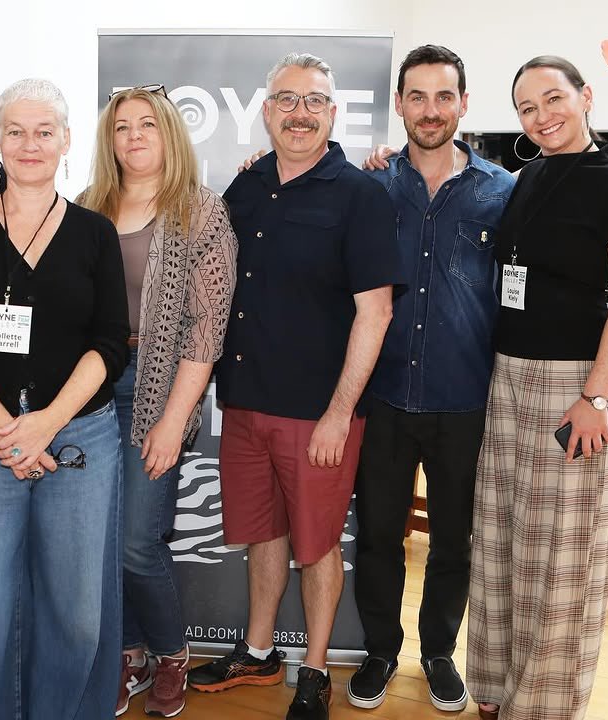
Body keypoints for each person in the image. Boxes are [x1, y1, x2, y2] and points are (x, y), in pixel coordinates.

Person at [187, 53, 402, 720]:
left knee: (316, 547)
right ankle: (258, 652)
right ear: (268, 111)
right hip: (245, 404)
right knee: (263, 536)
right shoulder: (245, 188)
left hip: (318, 414)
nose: (300, 112)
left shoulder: (361, 195)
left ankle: (313, 669)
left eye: (315, 101)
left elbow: (376, 311)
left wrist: (341, 413)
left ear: (334, 114)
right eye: (287, 99)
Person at [0, 78, 130, 719]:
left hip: (80, 440)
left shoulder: (95, 235)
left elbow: (109, 344)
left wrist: (46, 425)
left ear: (67, 142)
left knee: (76, 615)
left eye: (45, 131)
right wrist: (9, 430)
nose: (30, 143)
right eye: (16, 131)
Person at [466, 56, 608, 720]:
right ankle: (493, 685)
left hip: (578, 389)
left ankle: (541, 705)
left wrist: (597, 397)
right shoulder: (521, 180)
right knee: (499, 543)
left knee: (560, 561)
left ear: (585, 97)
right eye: (527, 107)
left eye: (554, 98)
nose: (542, 115)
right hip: (507, 381)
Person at [344, 45, 515, 714]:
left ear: (464, 104)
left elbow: (540, 283)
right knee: (380, 534)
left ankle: (439, 653)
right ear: (400, 105)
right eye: (417, 96)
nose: (430, 109)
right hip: (382, 397)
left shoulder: (503, 193)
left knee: (454, 541)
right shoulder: (372, 186)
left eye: (444, 96)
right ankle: (381, 652)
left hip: (466, 402)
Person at [79, 85, 237, 717]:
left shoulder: (199, 210)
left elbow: (208, 326)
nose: (135, 136)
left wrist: (174, 421)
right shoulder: (85, 207)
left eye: (148, 124)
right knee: (98, 537)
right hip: (89, 386)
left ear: (170, 132)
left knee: (136, 541)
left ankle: (172, 652)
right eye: (122, 127)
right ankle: (126, 653)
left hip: (159, 384)